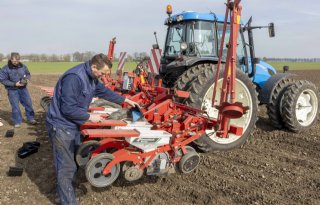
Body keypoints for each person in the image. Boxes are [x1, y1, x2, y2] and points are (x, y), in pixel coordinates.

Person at [46, 53, 139, 205]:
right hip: (61, 125)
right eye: (102, 73)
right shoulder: (74, 78)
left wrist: (125, 100)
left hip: (73, 124)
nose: (103, 76)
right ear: (94, 66)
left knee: (72, 161)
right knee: (66, 166)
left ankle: (68, 192)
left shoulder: (91, 77)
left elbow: (103, 91)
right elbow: (68, 108)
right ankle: (67, 201)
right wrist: (89, 117)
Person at [0, 52, 37, 128]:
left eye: (17, 61)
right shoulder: (5, 69)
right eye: (14, 61)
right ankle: (17, 121)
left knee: (28, 103)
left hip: (23, 89)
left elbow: (28, 74)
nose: (16, 62)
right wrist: (14, 84)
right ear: (11, 59)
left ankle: (31, 118)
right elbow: (3, 80)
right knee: (15, 106)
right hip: (12, 90)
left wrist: (27, 79)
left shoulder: (23, 66)